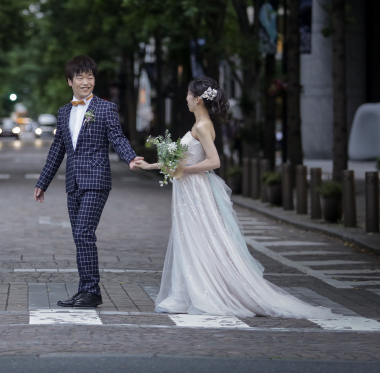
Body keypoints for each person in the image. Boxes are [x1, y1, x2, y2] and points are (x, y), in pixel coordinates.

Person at [135, 77, 333, 319]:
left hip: (196, 190)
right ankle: (182, 294)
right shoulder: (199, 124)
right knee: (187, 239)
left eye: (188, 94)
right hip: (187, 190)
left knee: (199, 239)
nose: (185, 98)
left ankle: (196, 294)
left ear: (198, 100)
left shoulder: (202, 126)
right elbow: (180, 160)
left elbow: (214, 161)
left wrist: (184, 170)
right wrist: (151, 165)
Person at [34, 55, 143, 309]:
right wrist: (43, 182)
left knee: (84, 233)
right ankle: (86, 290)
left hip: (96, 181)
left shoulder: (105, 108)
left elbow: (117, 137)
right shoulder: (64, 112)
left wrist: (130, 158)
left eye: (90, 77)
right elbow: (57, 149)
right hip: (73, 182)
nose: (86, 82)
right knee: (79, 236)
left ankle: (92, 291)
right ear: (69, 81)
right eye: (80, 77)